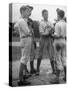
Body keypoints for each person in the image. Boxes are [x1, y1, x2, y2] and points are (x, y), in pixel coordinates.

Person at [14, 5, 33, 85]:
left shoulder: (20, 20)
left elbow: (15, 27)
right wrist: (30, 32)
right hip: (26, 39)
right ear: (22, 11)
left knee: (24, 58)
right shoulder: (22, 21)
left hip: (23, 39)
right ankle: (20, 79)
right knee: (24, 59)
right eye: (27, 11)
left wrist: (20, 33)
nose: (28, 13)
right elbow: (28, 32)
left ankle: (23, 76)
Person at [36, 9, 55, 75]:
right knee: (40, 54)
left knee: (51, 54)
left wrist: (51, 31)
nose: (46, 15)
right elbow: (41, 33)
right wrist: (48, 32)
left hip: (49, 39)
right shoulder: (41, 23)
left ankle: (53, 70)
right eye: (45, 14)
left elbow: (53, 30)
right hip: (43, 39)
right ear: (42, 15)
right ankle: (37, 70)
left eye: (47, 14)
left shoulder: (50, 22)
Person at [51, 10, 66, 84]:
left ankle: (57, 79)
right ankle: (66, 77)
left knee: (58, 59)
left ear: (58, 15)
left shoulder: (57, 24)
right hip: (64, 41)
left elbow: (56, 35)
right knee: (64, 59)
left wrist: (52, 34)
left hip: (58, 42)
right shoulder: (66, 24)